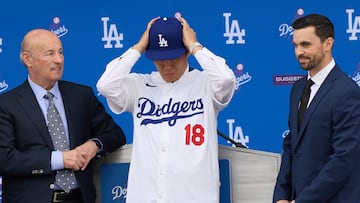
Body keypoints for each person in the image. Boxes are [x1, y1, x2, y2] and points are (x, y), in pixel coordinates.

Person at [96, 16, 235, 202]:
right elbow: (105, 85)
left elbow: (226, 79)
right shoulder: (140, 85)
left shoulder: (206, 83)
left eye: (174, 57)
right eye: (160, 59)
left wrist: (195, 46)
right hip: (145, 196)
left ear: (186, 52)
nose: (167, 66)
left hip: (194, 197)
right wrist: (139, 47)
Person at [0, 29, 127, 203]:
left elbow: (115, 134)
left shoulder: (81, 95)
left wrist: (94, 144)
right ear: (27, 59)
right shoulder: (6, 104)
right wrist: (60, 159)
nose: (59, 60)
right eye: (49, 54)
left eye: (60, 52)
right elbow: (4, 159)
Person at [273, 14, 360, 203]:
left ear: (328, 44)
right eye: (295, 45)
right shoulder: (297, 88)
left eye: (306, 44)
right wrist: (281, 195)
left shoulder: (347, 92)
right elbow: (291, 146)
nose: (298, 52)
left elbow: (343, 160)